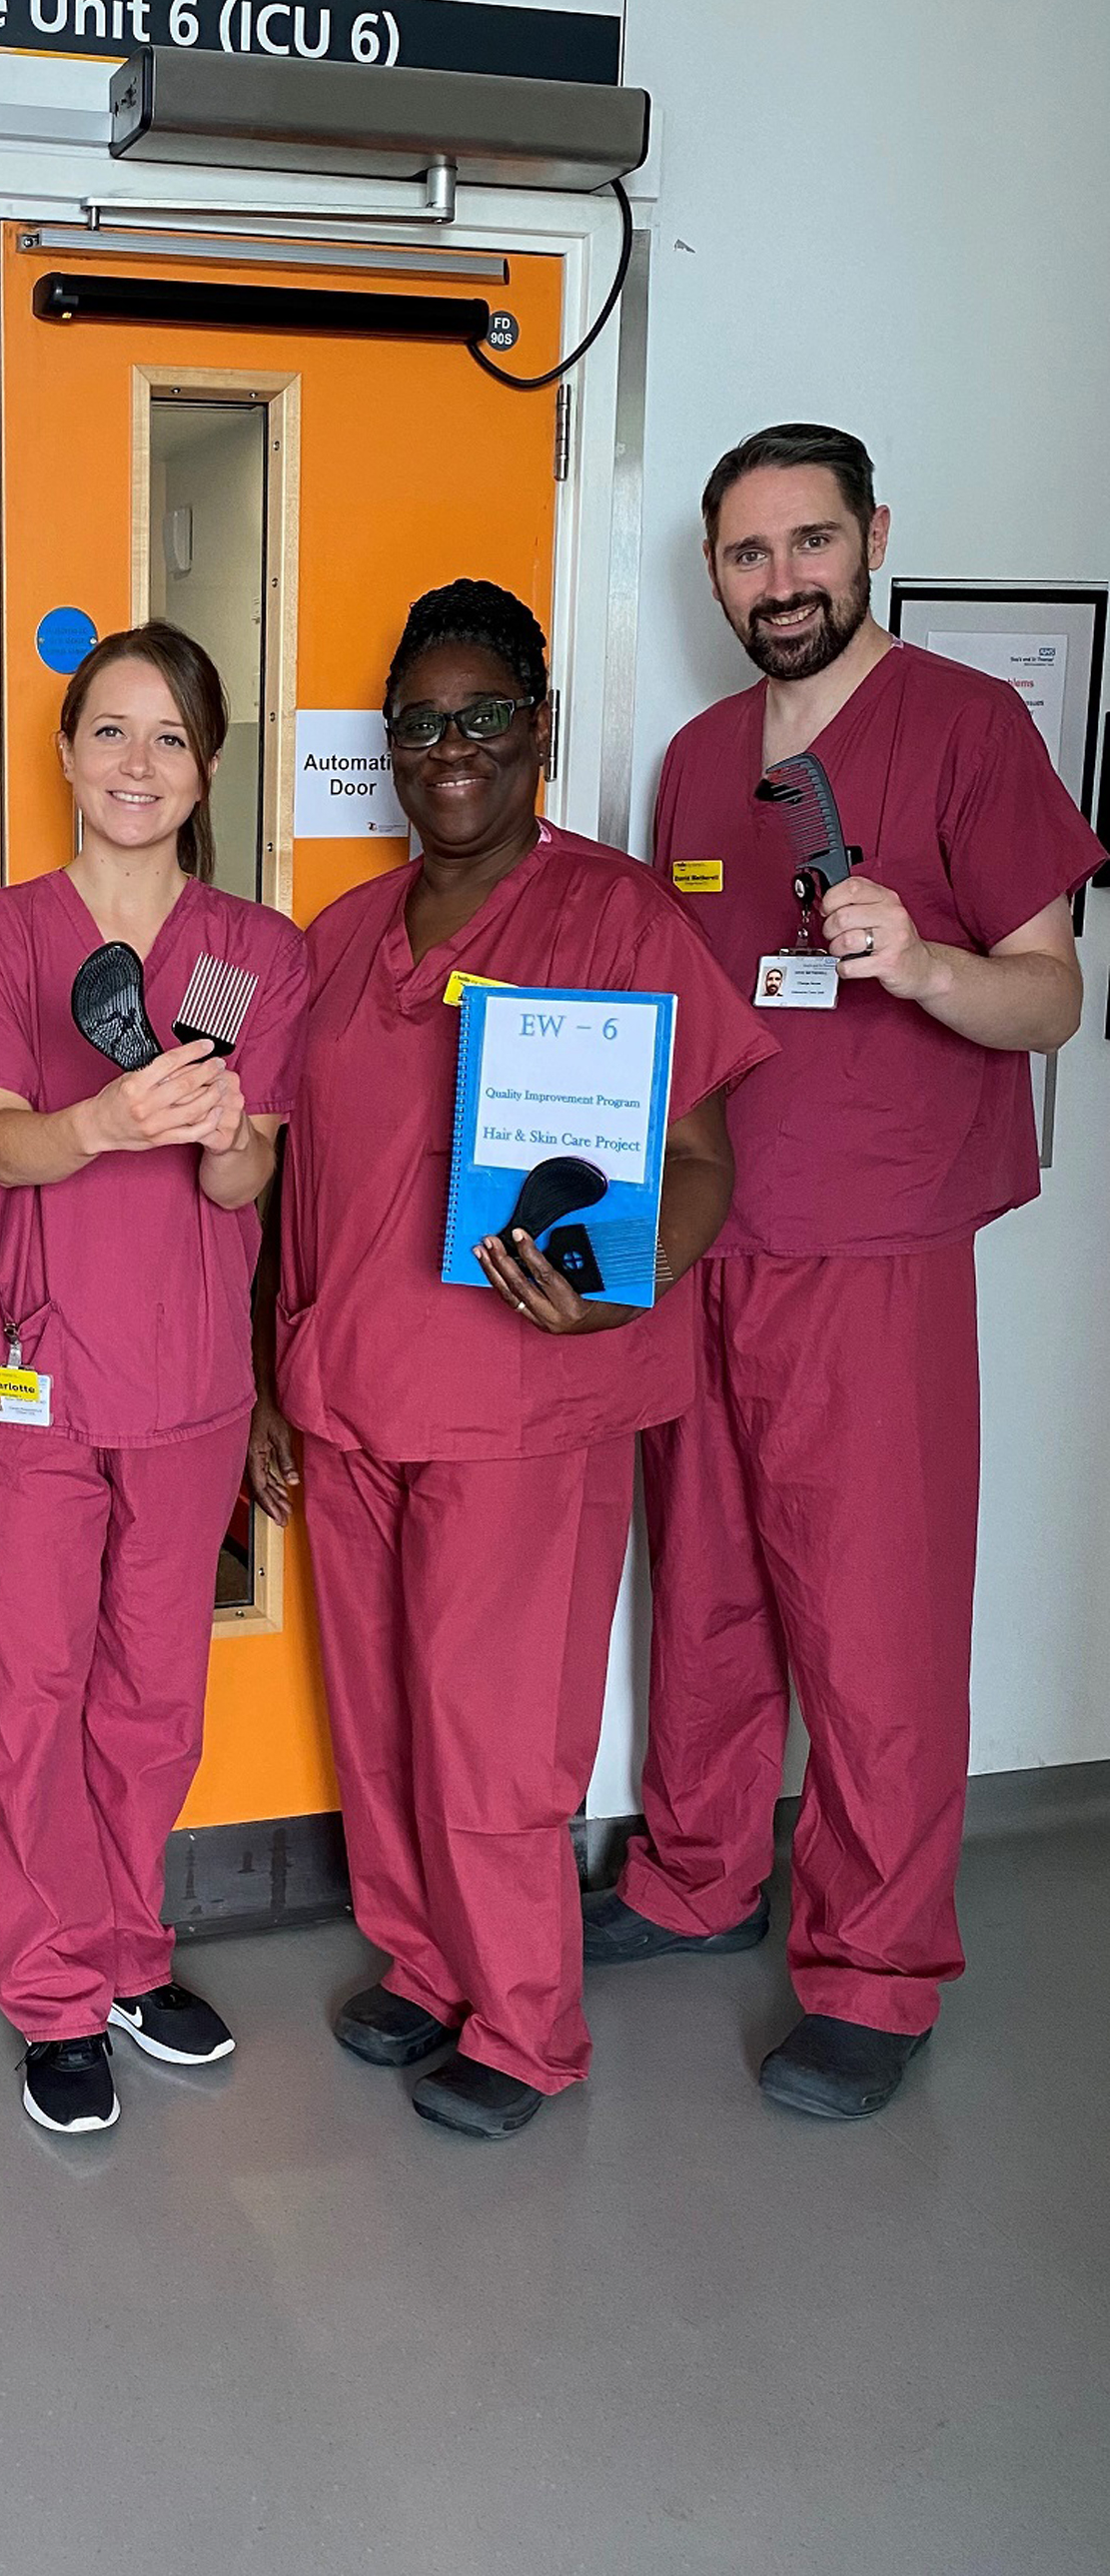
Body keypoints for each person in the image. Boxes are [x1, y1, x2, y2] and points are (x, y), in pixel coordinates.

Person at [582, 426, 1104, 2119]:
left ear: (873, 535)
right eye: (748, 556)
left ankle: (879, 1967)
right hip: (705, 1236)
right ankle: (697, 1872)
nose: (782, 581)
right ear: (717, 575)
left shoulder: (968, 726)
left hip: (872, 1250)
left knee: (873, 1616)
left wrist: (929, 960)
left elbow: (1053, 996)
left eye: (810, 544)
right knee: (709, 1585)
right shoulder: (701, 755)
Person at [249, 579, 775, 2141]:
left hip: (525, 1403)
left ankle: (526, 2024)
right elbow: (297, 1182)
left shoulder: (613, 916)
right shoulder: (336, 944)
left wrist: (625, 1285)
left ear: (534, 731)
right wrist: (280, 1379)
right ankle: (422, 1963)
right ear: (391, 747)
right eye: (421, 722)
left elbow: (700, 1157)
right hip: (351, 1399)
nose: (450, 748)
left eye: (482, 716)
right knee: (385, 1718)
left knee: (494, 1731)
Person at [0, 622, 307, 2135]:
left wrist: (215, 1130)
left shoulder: (253, 953)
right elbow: (1, 1141)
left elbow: (245, 1184)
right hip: (32, 1369)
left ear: (205, 766)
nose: (136, 765)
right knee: (28, 1686)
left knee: (155, 1690)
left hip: (191, 1378)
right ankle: (52, 1991)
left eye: (168, 738)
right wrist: (107, 1118)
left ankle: (134, 1950)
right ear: (68, 755)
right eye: (109, 732)